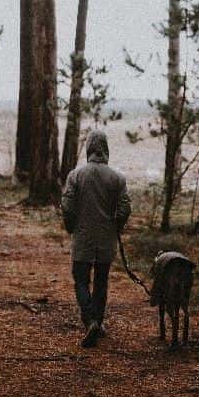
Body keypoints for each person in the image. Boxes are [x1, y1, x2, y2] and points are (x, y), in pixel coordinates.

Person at [61, 129, 131, 348]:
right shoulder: (117, 178)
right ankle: (98, 322)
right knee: (102, 281)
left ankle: (90, 320)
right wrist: (116, 227)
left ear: (89, 149)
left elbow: (67, 206)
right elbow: (125, 208)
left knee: (80, 279)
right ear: (106, 149)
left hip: (83, 237)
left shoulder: (75, 175)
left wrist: (71, 227)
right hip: (106, 239)